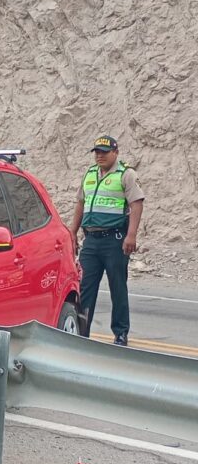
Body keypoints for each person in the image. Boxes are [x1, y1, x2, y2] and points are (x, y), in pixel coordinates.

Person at [70, 136, 145, 346]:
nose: (99, 155)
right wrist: (72, 231)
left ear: (116, 153)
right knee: (85, 287)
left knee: (117, 287)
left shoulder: (126, 174)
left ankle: (120, 333)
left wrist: (131, 235)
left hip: (115, 239)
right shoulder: (90, 174)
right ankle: (81, 332)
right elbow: (80, 203)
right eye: (97, 152)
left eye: (104, 151)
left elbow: (136, 204)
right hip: (91, 241)